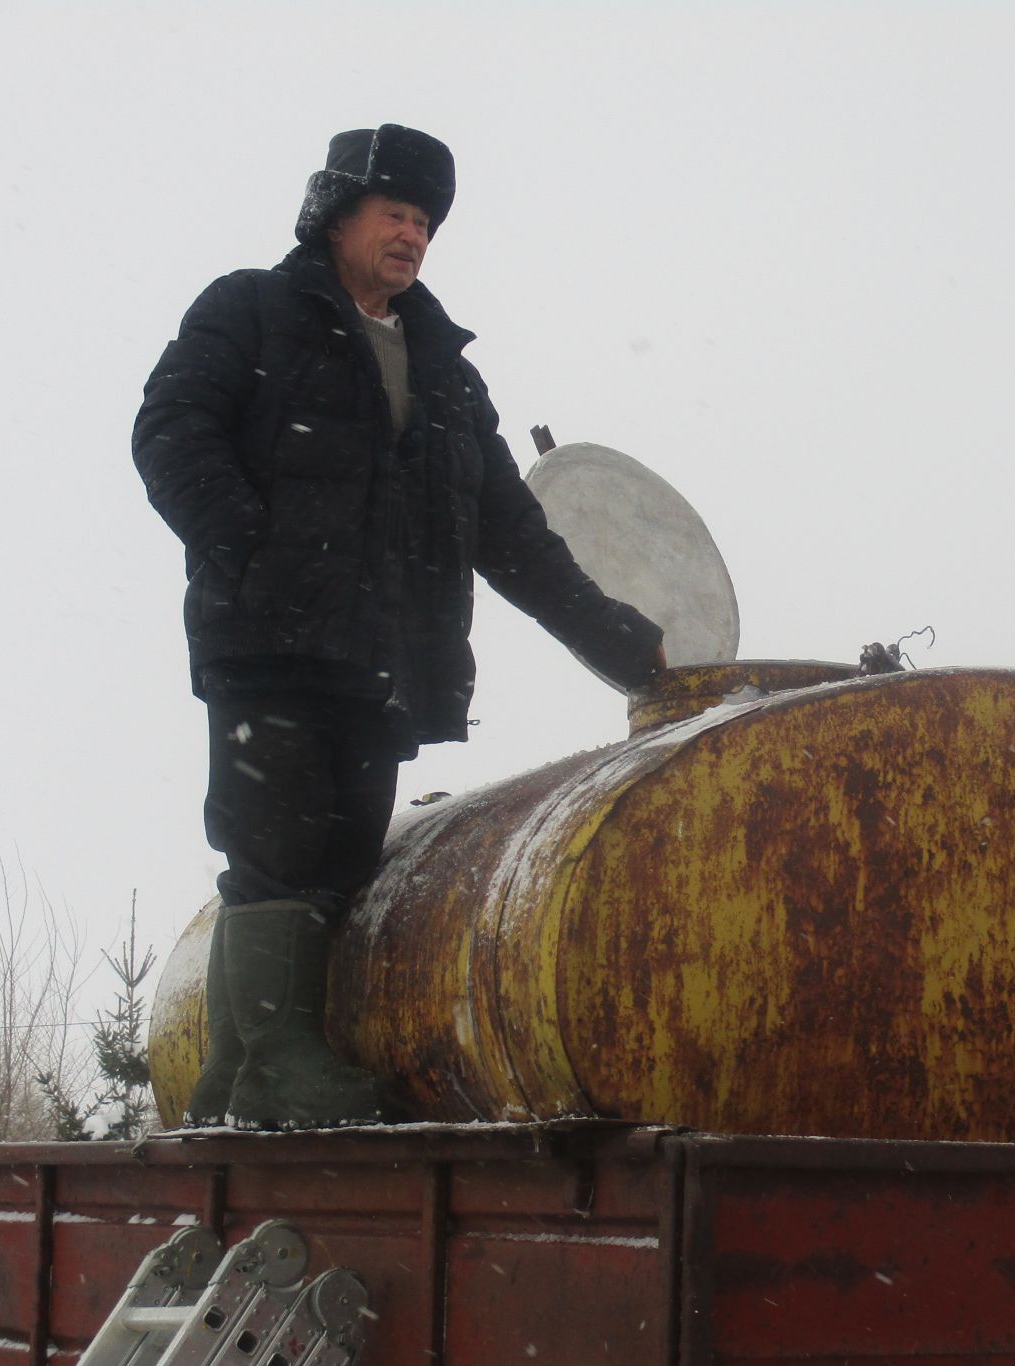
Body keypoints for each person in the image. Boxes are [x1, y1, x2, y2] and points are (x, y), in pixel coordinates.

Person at [134, 125, 664, 1131]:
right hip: (273, 647)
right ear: (338, 215)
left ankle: (237, 1080)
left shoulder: (447, 375)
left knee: (334, 862)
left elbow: (513, 534)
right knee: (275, 848)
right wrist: (249, 551)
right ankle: (278, 1068)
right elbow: (170, 430)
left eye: (425, 221)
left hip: (383, 667)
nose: (413, 235)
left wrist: (628, 647)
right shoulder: (251, 309)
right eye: (395, 213)